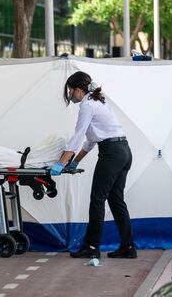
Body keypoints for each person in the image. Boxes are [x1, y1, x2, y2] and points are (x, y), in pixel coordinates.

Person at [49, 71, 136, 259]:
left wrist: (61, 163)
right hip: (124, 151)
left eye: (71, 90)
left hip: (111, 153)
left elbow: (78, 136)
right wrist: (75, 162)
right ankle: (128, 247)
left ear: (79, 90)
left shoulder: (87, 106)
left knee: (97, 199)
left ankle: (91, 246)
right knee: (116, 200)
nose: (71, 94)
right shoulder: (98, 103)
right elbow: (90, 140)